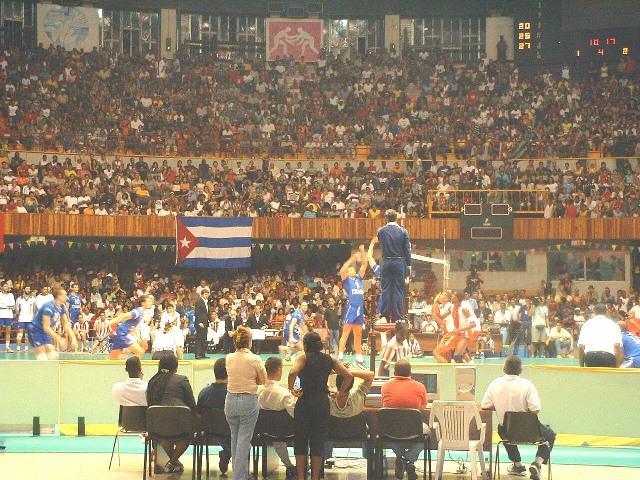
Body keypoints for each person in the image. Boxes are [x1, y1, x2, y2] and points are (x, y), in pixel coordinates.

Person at [288, 331, 352, 480]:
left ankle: (301, 477)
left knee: (301, 441)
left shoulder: (304, 357)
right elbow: (348, 375)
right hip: (322, 404)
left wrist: (291, 388)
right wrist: (341, 392)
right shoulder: (329, 359)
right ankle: (316, 477)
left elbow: (292, 373)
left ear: (305, 345)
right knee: (318, 442)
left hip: (304, 402)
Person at [481, 355, 555, 480]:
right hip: (531, 432)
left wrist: (499, 406)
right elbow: (535, 409)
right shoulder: (527, 385)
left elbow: (485, 405)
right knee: (550, 434)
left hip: (508, 432)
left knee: (502, 428)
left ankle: (518, 465)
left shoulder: (495, 384)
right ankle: (537, 463)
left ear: (504, 368)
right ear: (520, 370)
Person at [225, 326, 267, 480]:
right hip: (248, 400)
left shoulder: (229, 357)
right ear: (249, 342)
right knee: (244, 439)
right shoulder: (254, 358)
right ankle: (239, 476)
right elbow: (263, 380)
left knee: (234, 438)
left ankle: (240, 473)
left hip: (230, 400)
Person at [146, 353, 197, 474]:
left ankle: (174, 463)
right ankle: (173, 462)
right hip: (181, 425)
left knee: (163, 434)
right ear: (176, 367)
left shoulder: (152, 382)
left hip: (158, 428)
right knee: (189, 432)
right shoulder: (182, 380)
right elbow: (192, 405)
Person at [380, 359, 428, 480]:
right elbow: (422, 407)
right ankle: (408, 460)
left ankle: (401, 459)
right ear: (410, 372)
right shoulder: (420, 387)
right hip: (413, 429)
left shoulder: (385, 386)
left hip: (390, 430)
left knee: (387, 431)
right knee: (426, 434)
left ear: (394, 372)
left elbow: (385, 406)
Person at [258, 356, 297, 479]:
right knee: (302, 430)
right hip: (288, 432)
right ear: (279, 370)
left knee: (277, 434)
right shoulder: (284, 394)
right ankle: (302, 465)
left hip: (264, 431)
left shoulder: (257, 391)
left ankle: (288, 465)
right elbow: (295, 414)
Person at [325, 368, 374, 460]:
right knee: (371, 431)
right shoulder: (360, 395)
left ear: (336, 383)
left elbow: (317, 379)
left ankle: (322, 460)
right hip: (357, 433)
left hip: (332, 433)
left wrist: (338, 370)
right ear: (352, 384)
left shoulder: (326, 399)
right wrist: (346, 372)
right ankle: (370, 460)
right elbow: (370, 375)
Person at [197, 358, 231, 474]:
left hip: (210, 432)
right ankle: (228, 452)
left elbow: (198, 415)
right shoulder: (234, 393)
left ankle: (227, 452)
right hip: (232, 432)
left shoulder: (204, 393)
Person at [377, 209, 411, 323]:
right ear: (396, 218)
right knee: (398, 290)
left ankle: (384, 315)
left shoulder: (381, 231)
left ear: (386, 218)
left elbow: (380, 242)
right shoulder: (403, 231)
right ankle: (398, 317)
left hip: (386, 261)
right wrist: (409, 265)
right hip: (399, 261)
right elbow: (407, 249)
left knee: (385, 288)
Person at [338, 245, 367, 369]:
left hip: (360, 309)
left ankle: (359, 359)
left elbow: (365, 265)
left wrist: (361, 251)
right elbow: (342, 270)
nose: (352, 270)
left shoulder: (359, 279)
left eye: (352, 269)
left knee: (358, 334)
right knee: (345, 333)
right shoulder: (347, 281)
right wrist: (352, 259)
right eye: (350, 270)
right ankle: (340, 357)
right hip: (352, 307)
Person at [28, 287, 77, 360]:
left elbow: (65, 324)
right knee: (43, 358)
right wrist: (59, 339)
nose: (67, 297)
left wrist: (73, 338)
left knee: (52, 355)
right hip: (35, 330)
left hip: (44, 332)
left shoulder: (62, 307)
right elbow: (46, 327)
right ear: (59, 296)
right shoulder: (48, 307)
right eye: (65, 295)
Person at [433, 291, 479, 363]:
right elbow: (441, 317)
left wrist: (459, 330)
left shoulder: (464, 309)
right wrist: (436, 310)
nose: (451, 297)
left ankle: (470, 367)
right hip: (457, 333)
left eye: (453, 296)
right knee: (459, 354)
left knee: (457, 356)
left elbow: (473, 324)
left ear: (457, 298)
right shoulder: (451, 307)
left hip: (465, 333)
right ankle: (470, 364)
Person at [106, 294, 154, 360]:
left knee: (112, 360)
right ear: (143, 303)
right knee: (140, 352)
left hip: (120, 335)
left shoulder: (142, 313)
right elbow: (120, 318)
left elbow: (130, 324)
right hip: (121, 335)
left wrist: (134, 332)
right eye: (149, 301)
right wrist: (105, 325)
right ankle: (131, 368)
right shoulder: (137, 313)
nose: (151, 302)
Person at [578, 303, 622, 367]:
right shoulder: (614, 325)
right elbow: (617, 346)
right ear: (606, 312)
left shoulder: (586, 324)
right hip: (607, 357)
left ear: (594, 312)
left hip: (590, 358)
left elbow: (581, 347)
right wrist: (617, 367)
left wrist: (581, 367)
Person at [15, 285, 36, 352]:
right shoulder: (19, 299)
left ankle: (26, 349)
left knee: (27, 335)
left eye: (29, 289)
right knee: (20, 335)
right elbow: (17, 309)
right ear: (23, 289)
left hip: (30, 319)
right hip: (22, 319)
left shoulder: (33, 299)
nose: (28, 290)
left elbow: (35, 309)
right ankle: (18, 349)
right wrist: (18, 316)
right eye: (27, 289)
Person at [194, 288, 211, 359]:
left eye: (207, 294)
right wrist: (199, 322)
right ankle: (198, 354)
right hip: (200, 322)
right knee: (199, 338)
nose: (206, 295)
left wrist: (209, 321)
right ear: (202, 295)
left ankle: (203, 353)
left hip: (205, 322)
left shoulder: (206, 302)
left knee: (204, 338)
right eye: (205, 294)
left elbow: (207, 313)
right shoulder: (199, 301)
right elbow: (197, 313)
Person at [0, 281, 16, 352]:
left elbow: (13, 304)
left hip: (9, 315)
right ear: (1, 287)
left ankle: (7, 347)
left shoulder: (11, 295)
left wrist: (4, 305)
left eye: (7, 286)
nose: (6, 287)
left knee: (8, 331)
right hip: (1, 315)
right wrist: (6, 306)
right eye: (5, 286)